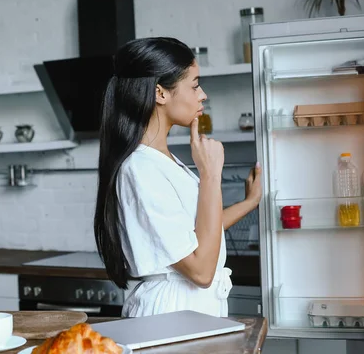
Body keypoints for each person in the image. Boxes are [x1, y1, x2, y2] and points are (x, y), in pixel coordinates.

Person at [93, 37, 262, 318]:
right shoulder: (140, 169)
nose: (203, 94)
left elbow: (197, 232)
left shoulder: (163, 161)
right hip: (171, 313)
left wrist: (249, 202)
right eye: (194, 85)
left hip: (187, 309)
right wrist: (209, 175)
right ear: (160, 93)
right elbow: (201, 271)